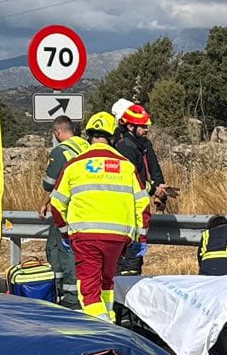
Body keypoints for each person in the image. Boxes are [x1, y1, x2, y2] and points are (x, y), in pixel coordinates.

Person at [49, 129, 149, 318]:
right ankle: (109, 318)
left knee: (88, 289)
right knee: (106, 282)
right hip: (118, 238)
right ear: (114, 138)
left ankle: (103, 327)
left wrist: (64, 232)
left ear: (89, 137)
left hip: (85, 236)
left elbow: (56, 203)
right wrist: (140, 237)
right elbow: (143, 203)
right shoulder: (126, 166)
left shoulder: (75, 164)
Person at [110, 103, 169, 276]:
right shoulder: (125, 148)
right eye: (142, 126)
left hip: (137, 215)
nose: (146, 130)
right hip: (126, 215)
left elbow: (153, 170)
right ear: (130, 126)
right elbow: (134, 181)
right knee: (127, 267)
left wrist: (159, 189)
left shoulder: (141, 144)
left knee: (133, 264)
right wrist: (154, 190)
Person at [37, 115, 87, 308]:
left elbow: (51, 184)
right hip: (87, 206)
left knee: (60, 250)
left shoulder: (61, 152)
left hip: (67, 208)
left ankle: (66, 294)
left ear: (57, 133)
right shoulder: (86, 146)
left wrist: (44, 203)